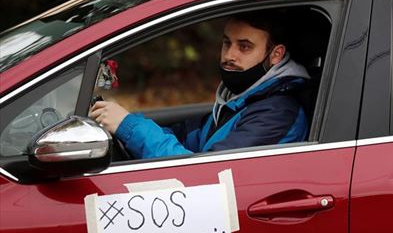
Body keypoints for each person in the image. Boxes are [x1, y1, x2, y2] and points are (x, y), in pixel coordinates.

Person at [89, 10, 310, 159]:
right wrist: (122, 127)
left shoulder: (276, 113)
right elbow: (185, 139)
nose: (229, 55)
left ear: (276, 55)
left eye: (244, 47)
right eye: (227, 43)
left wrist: (128, 127)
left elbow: (206, 176)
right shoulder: (238, 100)